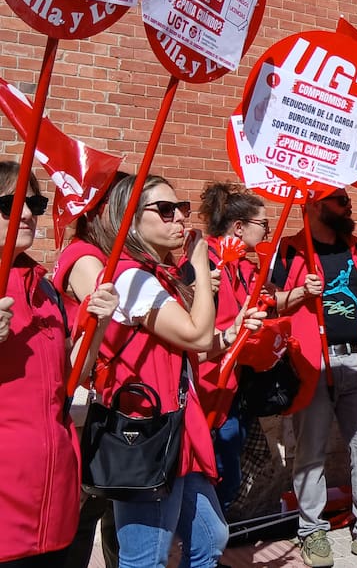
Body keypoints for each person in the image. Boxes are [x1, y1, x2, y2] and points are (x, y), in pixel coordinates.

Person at [92, 174, 264, 567]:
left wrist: (232, 331)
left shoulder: (157, 277)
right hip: (148, 436)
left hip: (177, 429)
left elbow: (194, 350)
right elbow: (197, 335)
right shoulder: (132, 277)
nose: (179, 219)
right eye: (165, 210)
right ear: (130, 220)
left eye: (181, 209)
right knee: (147, 557)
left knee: (210, 537)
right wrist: (201, 266)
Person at [0, 163, 118, 566]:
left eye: (33, 201)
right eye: (10, 203)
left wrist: (97, 327)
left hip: (54, 493)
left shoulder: (45, 288)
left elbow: (70, 379)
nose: (28, 213)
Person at [271, 189, 357, 565]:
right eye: (338, 200)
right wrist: (300, 293)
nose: (348, 204)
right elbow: (266, 301)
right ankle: (311, 530)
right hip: (310, 363)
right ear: (313, 205)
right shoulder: (289, 250)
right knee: (309, 452)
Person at [55, 173, 128, 568]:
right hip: (88, 399)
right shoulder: (85, 257)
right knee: (89, 508)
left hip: (100, 396)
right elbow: (115, 320)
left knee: (107, 505)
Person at [196, 182, 271, 511]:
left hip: (233, 387)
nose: (266, 233)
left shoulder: (242, 265)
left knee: (229, 479)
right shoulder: (205, 263)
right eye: (263, 225)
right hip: (208, 385)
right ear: (239, 227)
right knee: (218, 479)